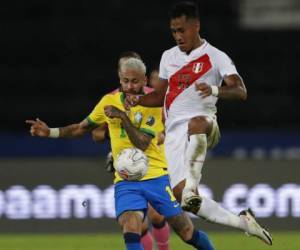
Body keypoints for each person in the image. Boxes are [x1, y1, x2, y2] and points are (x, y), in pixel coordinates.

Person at [26, 57, 215, 250]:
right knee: (130, 227)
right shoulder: (109, 100)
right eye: (125, 81)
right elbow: (81, 128)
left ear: (144, 80)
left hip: (156, 176)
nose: (130, 86)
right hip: (126, 181)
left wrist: (122, 116)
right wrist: (50, 132)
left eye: (134, 81)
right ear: (120, 80)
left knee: (186, 232)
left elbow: (142, 143)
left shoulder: (155, 103)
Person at [126, 1, 273, 245]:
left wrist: (215, 89)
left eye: (182, 30)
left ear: (196, 26)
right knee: (182, 198)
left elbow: (240, 90)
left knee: (196, 123)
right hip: (174, 136)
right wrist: (138, 100)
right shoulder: (168, 57)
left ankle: (193, 185)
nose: (177, 36)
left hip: (205, 127)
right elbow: (159, 96)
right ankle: (243, 222)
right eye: (173, 31)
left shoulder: (216, 56)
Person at [92, 51, 170, 250]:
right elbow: (96, 134)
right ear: (120, 73)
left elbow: (167, 127)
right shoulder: (111, 99)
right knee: (136, 223)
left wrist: (162, 137)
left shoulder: (152, 98)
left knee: (156, 215)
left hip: (154, 160)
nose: (129, 83)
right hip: (129, 162)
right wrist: (116, 135)